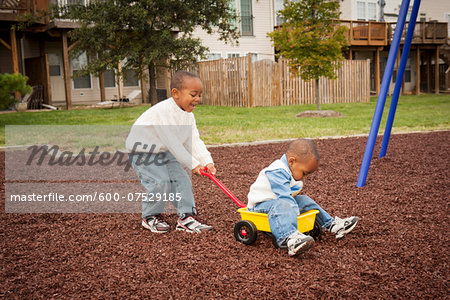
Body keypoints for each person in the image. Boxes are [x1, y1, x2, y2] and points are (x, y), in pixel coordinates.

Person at [126, 71, 215, 233]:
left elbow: (193, 140)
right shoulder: (162, 113)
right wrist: (194, 164)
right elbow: (174, 144)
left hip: (164, 150)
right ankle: (150, 216)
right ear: (176, 93)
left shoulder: (188, 115)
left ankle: (186, 217)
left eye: (199, 95)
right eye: (193, 94)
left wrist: (206, 161)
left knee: (182, 179)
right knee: (160, 182)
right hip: (143, 151)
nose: (197, 99)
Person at [247, 139, 358, 256]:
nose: (304, 177)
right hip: (260, 206)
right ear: (292, 162)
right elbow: (284, 197)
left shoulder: (288, 170)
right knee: (283, 204)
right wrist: (295, 214)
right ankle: (289, 238)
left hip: (276, 203)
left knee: (304, 200)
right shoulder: (277, 171)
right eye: (304, 173)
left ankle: (331, 224)